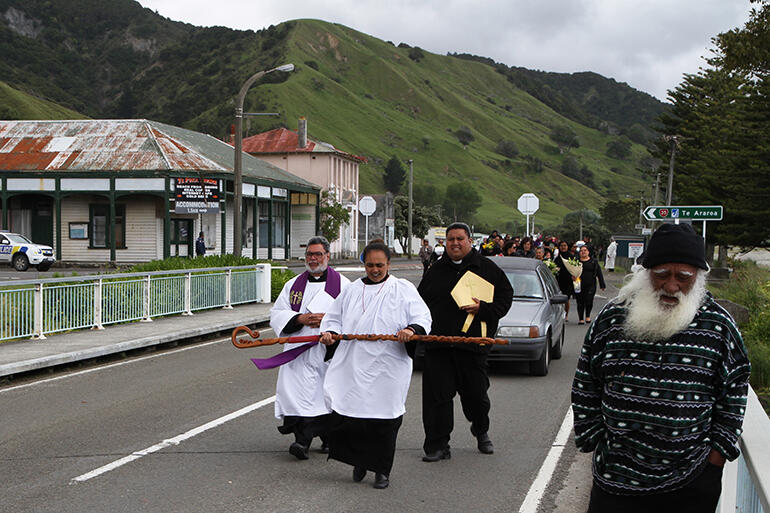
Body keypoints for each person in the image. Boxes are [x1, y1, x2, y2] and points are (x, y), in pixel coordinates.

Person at [571, 223, 751, 513]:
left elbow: (735, 392)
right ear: (645, 273)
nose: (671, 286)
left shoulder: (718, 326)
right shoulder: (612, 319)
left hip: (691, 480)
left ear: (699, 277)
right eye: (661, 275)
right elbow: (586, 382)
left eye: (683, 277)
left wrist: (717, 455)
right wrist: (592, 437)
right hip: (616, 477)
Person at [319, 242, 431, 489]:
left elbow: (422, 317)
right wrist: (329, 333)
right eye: (370, 265)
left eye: (380, 265)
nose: (375, 270)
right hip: (355, 362)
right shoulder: (351, 290)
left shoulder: (402, 289)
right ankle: (361, 461)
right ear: (364, 264)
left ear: (389, 264)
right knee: (354, 416)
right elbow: (333, 318)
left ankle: (382, 469)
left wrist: (410, 330)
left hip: (388, 365)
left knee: (385, 419)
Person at [418, 222, 513, 462]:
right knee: (437, 398)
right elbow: (419, 304)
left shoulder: (488, 269)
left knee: (476, 396)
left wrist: (483, 309)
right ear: (445, 243)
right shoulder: (435, 270)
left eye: (460, 239)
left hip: (472, 347)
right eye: (451, 239)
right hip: (439, 347)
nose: (455, 243)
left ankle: (481, 430)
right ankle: (438, 445)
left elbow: (505, 298)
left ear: (470, 241)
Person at [269, 236, 351, 460]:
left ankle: (327, 439)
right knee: (298, 394)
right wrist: (300, 318)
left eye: (317, 254)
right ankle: (301, 440)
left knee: (326, 396)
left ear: (327, 256)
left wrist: (328, 323)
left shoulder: (344, 285)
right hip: (298, 352)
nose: (313, 259)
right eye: (309, 255)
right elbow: (277, 313)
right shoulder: (293, 286)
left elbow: (353, 316)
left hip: (328, 352)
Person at [574, 245, 605, 324]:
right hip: (579, 284)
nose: (583, 252)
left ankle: (587, 316)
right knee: (580, 302)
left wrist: (602, 285)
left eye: (585, 250)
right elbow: (571, 272)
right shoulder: (576, 262)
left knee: (589, 300)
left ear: (588, 252)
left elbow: (599, 273)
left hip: (591, 284)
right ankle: (580, 318)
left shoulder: (593, 261)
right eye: (581, 251)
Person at [554, 240, 575, 321]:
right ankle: (559, 314)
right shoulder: (557, 258)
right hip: (559, 280)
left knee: (566, 298)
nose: (563, 247)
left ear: (567, 247)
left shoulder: (571, 257)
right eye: (561, 245)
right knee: (559, 299)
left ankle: (566, 314)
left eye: (565, 245)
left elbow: (575, 268)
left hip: (568, 280)